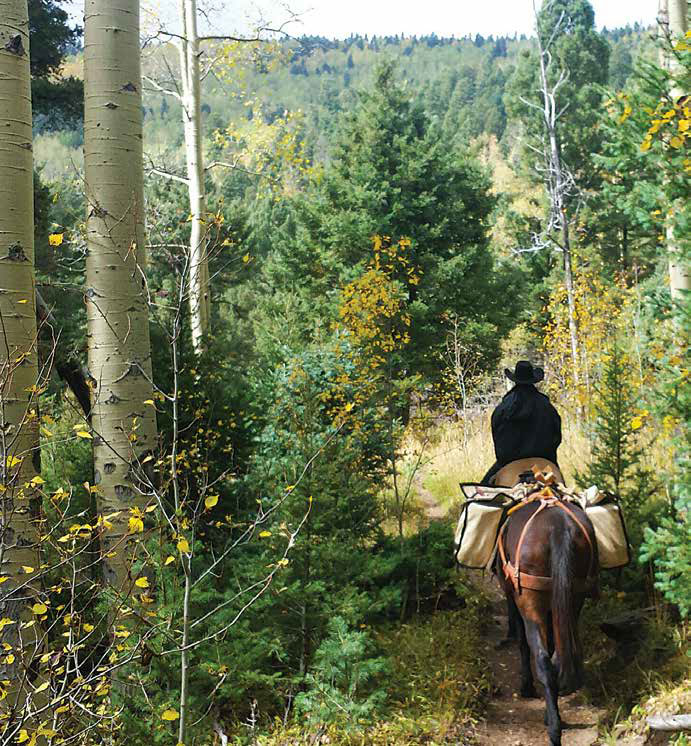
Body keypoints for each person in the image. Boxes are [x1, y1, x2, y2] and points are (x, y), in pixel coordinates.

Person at [481, 361, 561, 486]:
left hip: (509, 462)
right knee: (565, 493)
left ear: (515, 380)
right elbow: (556, 437)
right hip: (545, 463)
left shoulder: (503, 408)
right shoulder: (547, 406)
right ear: (533, 380)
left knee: (479, 494)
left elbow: (498, 440)